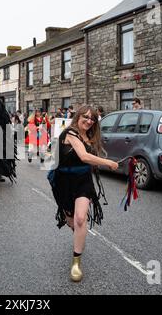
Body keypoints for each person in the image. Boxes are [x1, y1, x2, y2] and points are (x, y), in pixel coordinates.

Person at [49, 106, 118, 282]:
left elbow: (87, 161)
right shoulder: (70, 133)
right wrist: (108, 163)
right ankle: (77, 230)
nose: (89, 121)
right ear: (77, 117)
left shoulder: (90, 137)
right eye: (85, 117)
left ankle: (76, 261)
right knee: (72, 220)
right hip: (63, 183)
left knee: (81, 218)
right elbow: (84, 156)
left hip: (83, 182)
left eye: (92, 119)